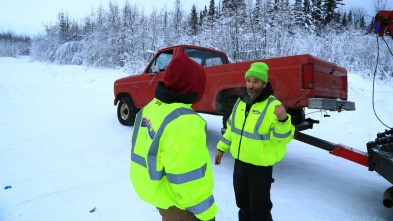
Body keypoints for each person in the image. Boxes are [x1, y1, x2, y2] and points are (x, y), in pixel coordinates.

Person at [130, 53, 217, 221]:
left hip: (160, 195)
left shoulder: (150, 108)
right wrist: (207, 214)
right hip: (182, 206)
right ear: (192, 86)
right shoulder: (184, 123)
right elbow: (188, 179)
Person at [215, 62, 295, 221]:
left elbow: (283, 138)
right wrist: (221, 148)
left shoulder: (274, 106)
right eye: (248, 81)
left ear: (264, 84)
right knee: (242, 203)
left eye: (256, 81)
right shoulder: (240, 102)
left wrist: (283, 120)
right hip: (240, 163)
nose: (251, 85)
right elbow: (232, 128)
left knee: (260, 209)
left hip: (259, 167)